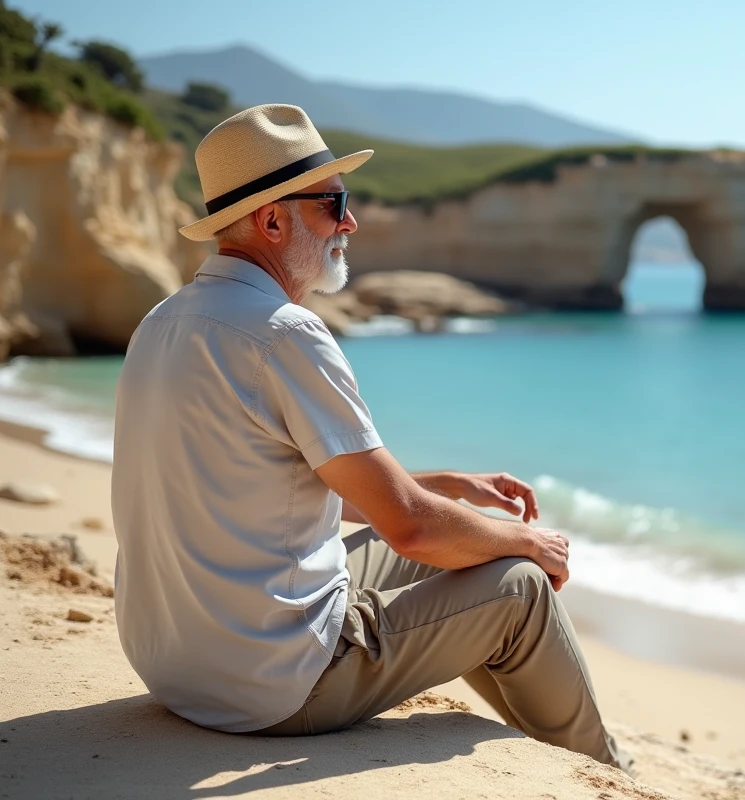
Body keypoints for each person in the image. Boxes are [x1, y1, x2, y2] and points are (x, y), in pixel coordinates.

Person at [110, 104, 626, 770]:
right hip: (272, 688)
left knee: (454, 540)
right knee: (520, 584)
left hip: (175, 663)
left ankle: (554, 740)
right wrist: (532, 540)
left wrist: (444, 487)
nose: (349, 222)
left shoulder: (162, 321)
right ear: (271, 220)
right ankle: (603, 769)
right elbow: (412, 529)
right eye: (333, 203)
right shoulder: (283, 333)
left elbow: (288, 485)